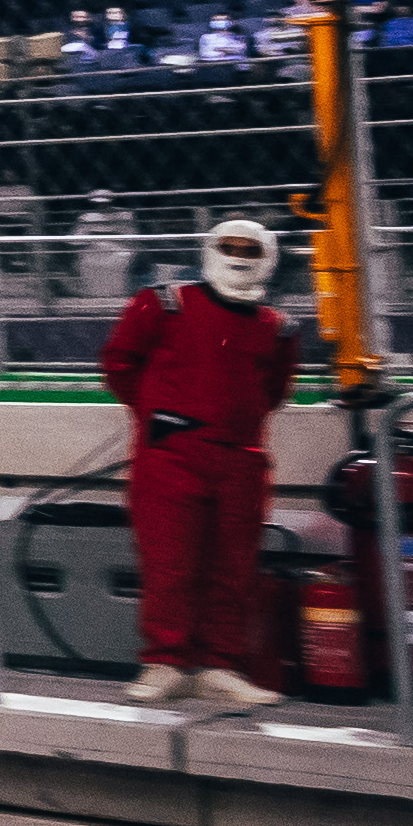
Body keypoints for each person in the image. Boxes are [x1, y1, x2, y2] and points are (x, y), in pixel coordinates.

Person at [101, 214, 302, 709]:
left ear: (268, 259)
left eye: (250, 249)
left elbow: (273, 391)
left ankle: (219, 667)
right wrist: (162, 418)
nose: (238, 256)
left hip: (241, 462)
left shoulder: (278, 328)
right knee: (170, 563)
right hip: (171, 459)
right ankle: (164, 664)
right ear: (210, 249)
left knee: (233, 569)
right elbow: (118, 364)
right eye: (229, 245)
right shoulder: (163, 303)